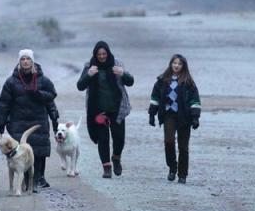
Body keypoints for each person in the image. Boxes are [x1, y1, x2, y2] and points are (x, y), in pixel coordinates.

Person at [0, 49, 58, 191]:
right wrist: (1, 122)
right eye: (23, 59)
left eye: (28, 59)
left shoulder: (43, 79)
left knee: (39, 150)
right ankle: (26, 180)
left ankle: (38, 179)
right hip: (18, 121)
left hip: (39, 119)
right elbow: (4, 103)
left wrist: (39, 95)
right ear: (19, 61)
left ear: (32, 61)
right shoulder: (11, 82)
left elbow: (51, 96)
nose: (25, 61)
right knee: (21, 151)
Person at [76, 41, 134, 178]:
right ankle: (106, 167)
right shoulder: (89, 66)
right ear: (95, 54)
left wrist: (123, 73)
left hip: (117, 108)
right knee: (103, 139)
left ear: (108, 53)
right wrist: (88, 74)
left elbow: (131, 82)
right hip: (98, 110)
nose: (102, 56)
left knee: (119, 138)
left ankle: (116, 157)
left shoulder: (117, 64)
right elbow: (80, 86)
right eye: (99, 54)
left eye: (104, 54)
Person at [148, 54, 201, 184]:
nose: (176, 65)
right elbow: (155, 97)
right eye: (174, 63)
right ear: (171, 64)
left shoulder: (189, 83)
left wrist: (195, 117)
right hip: (168, 115)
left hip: (184, 116)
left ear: (184, 66)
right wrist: (152, 114)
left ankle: (182, 174)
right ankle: (172, 167)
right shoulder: (162, 81)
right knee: (169, 142)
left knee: (183, 147)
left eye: (179, 64)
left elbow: (195, 100)